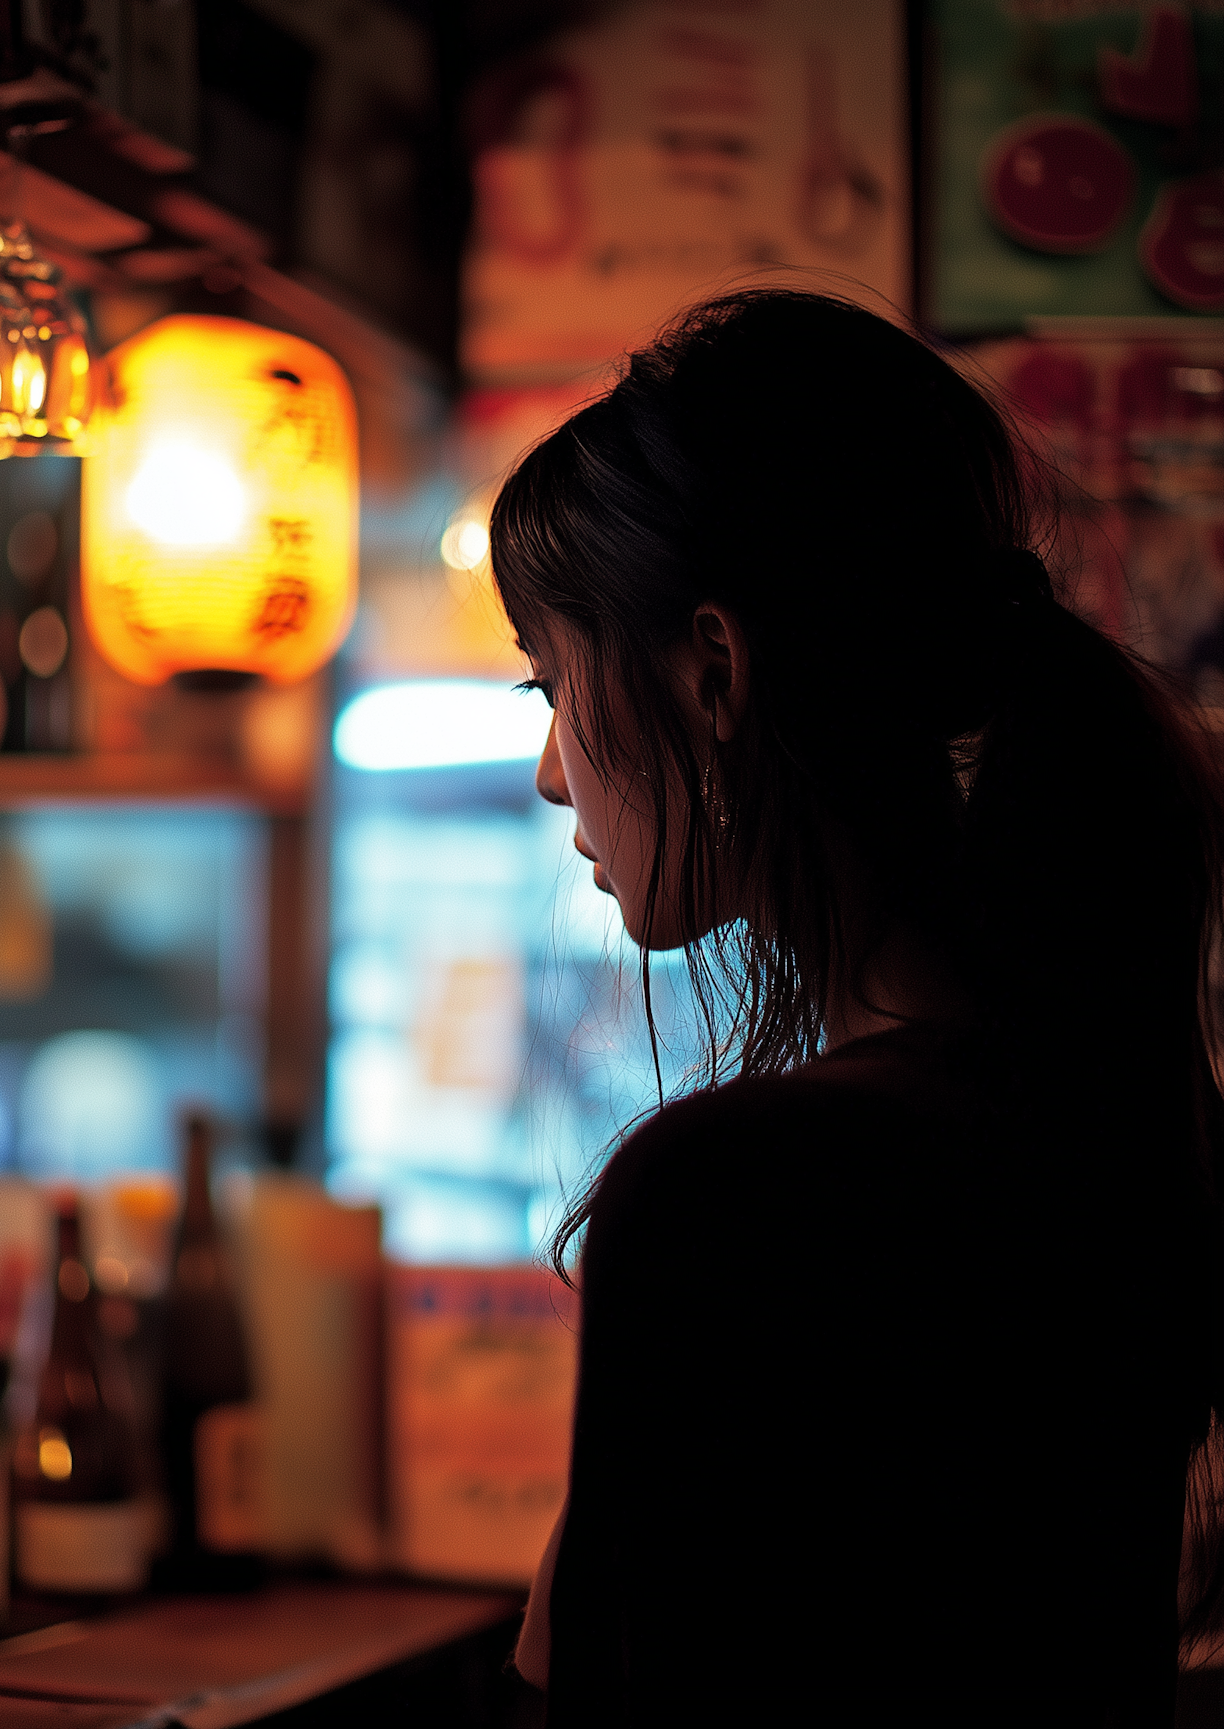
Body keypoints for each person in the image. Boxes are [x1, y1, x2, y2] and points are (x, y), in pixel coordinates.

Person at [487, 291, 1224, 1727]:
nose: (551, 772)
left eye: (554, 686)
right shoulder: (1130, 1109)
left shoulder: (741, 1189)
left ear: (712, 669)